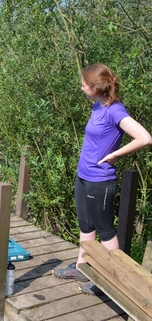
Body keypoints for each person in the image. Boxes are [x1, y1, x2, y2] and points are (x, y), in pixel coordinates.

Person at [52, 64, 152, 295]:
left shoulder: (115, 111)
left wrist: (115, 154)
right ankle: (82, 267)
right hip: (83, 177)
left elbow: (145, 137)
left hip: (100, 180)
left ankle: (108, 279)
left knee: (105, 231)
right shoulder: (98, 106)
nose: (81, 87)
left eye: (85, 85)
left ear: (96, 88)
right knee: (86, 226)